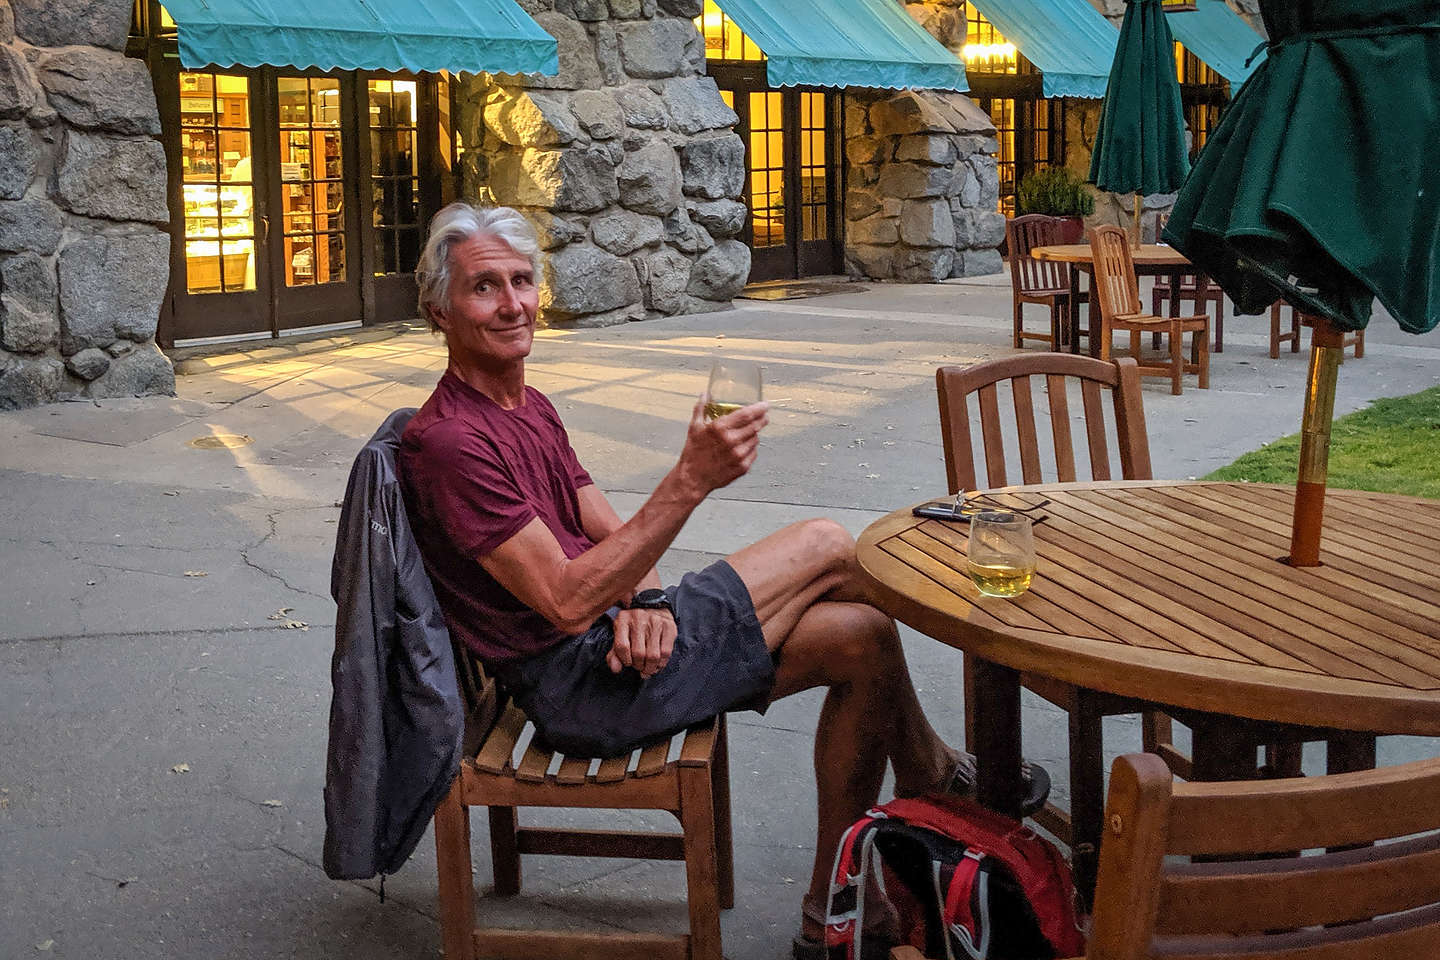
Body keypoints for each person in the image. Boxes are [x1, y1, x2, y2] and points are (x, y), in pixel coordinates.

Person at [397, 202, 1048, 957]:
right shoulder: (450, 443)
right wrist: (689, 479)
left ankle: (832, 908)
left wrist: (643, 599)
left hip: (614, 643)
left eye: (522, 281)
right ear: (438, 311)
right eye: (485, 288)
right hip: (582, 687)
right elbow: (568, 599)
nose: (513, 304)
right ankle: (938, 770)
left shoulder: (526, 406)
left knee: (863, 638)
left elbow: (604, 533)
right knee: (830, 543)